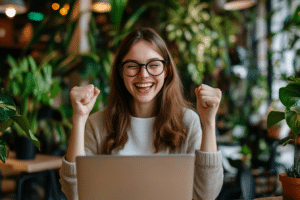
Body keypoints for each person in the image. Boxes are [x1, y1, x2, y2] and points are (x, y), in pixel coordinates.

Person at [59, 27, 224, 200]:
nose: (143, 75)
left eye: (153, 65)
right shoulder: (98, 124)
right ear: (121, 72)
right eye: (132, 66)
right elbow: (75, 194)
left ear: (166, 70)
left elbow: (206, 195)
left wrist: (209, 122)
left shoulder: (187, 122)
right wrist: (79, 118)